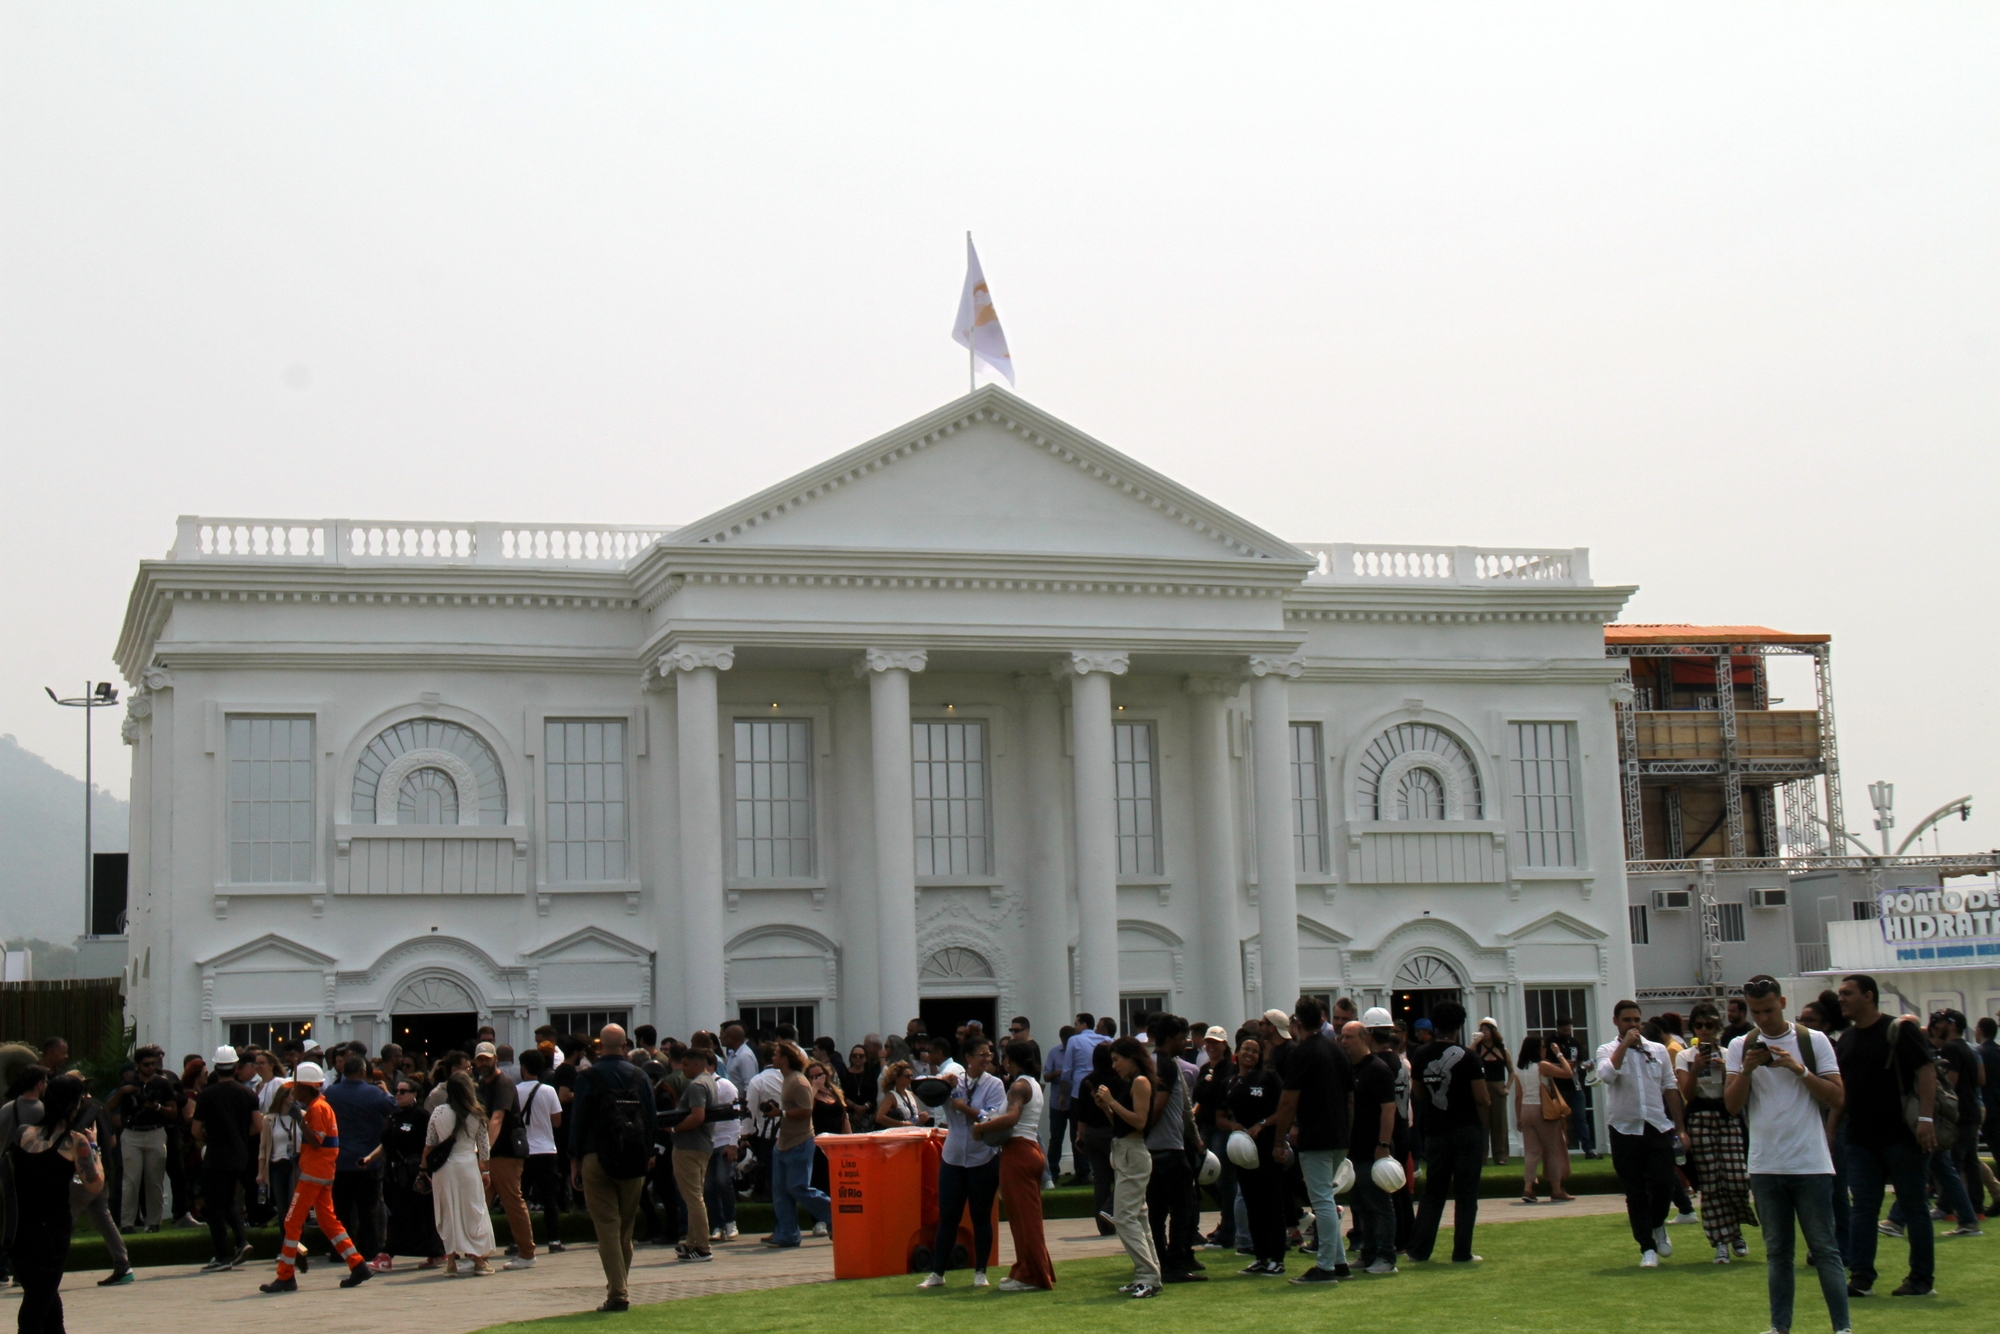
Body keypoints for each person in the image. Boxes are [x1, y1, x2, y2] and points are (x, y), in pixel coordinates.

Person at [1724, 975, 1847, 1334]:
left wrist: (1799, 1070)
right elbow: (1732, 1106)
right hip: (1765, 1164)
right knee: (1778, 1253)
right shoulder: (1739, 1045)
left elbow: (1837, 1098)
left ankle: (1842, 1328)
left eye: (1768, 1009)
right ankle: (1780, 1327)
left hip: (1810, 1162)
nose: (1763, 1018)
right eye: (1756, 1011)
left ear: (1782, 1002)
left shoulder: (1813, 1040)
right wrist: (1747, 1068)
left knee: (1825, 1249)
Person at [1833, 973, 1937, 1298]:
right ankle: (1861, 1276)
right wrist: (1831, 1130)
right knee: (1863, 1207)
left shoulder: (1899, 1030)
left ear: (1868, 995)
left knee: (1913, 1206)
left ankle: (1921, 1279)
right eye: (1841, 994)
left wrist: (1925, 1119)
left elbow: (1927, 1071)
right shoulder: (1847, 1039)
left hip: (1902, 1137)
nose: (1842, 999)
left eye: (1848, 993)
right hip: (1861, 1139)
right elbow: (1842, 1092)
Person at [259, 1061, 373, 1292]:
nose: (293, 1092)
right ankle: (357, 1264)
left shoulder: (317, 1108)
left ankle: (285, 1276)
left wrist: (299, 1119)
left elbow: (316, 1141)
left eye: (297, 1087)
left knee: (291, 1221)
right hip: (321, 1172)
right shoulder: (320, 1106)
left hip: (314, 1173)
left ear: (307, 1088)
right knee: (328, 1221)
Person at [570, 1024, 658, 1312]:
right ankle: (619, 1285)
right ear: (625, 1046)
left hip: (597, 1155)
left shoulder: (588, 1077)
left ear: (599, 1047)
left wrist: (574, 1160)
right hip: (634, 1157)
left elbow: (578, 1121)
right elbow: (651, 1118)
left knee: (607, 1225)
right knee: (625, 1228)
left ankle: (618, 1291)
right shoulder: (640, 1075)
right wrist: (649, 1152)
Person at [9, 1074, 104, 1332]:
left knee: (46, 1297)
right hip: (52, 1232)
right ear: (73, 1106)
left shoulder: (23, 1135)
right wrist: (93, 1145)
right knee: (37, 1304)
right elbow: (95, 1184)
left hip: (18, 1230)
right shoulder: (76, 1142)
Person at [1597, 999, 1684, 1268]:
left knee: (1663, 1183)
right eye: (1627, 1020)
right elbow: (1607, 1075)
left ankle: (1657, 1224)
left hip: (1657, 1126)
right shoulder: (1607, 1049)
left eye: (1636, 1020)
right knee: (1635, 1191)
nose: (1633, 1025)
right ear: (1616, 1022)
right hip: (1624, 1129)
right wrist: (1624, 1045)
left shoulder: (1657, 1050)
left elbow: (1670, 1087)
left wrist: (1680, 1128)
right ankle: (1646, 1247)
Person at [1271, 997, 1351, 1284]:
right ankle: (1338, 1261)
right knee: (1326, 1198)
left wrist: (1279, 1141)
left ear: (1297, 1022)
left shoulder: (1302, 1052)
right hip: (1339, 1133)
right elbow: (1349, 1096)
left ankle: (1326, 1266)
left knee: (1322, 1202)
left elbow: (1288, 1101)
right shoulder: (1336, 1048)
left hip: (1317, 1134)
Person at [917, 1035, 1007, 1288]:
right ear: (967, 1058)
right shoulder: (954, 1081)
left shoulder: (995, 1084)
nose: (987, 1058)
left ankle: (981, 1272)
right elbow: (922, 1089)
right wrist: (943, 1081)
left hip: (982, 1158)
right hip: (953, 1158)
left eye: (989, 1054)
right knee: (948, 1218)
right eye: (982, 1054)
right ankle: (937, 1273)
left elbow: (991, 1116)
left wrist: (965, 1109)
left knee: (981, 1218)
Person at [1408, 1002, 1489, 1264]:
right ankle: (1461, 1251)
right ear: (1459, 1026)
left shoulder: (1420, 1054)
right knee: (1466, 1193)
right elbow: (1482, 1097)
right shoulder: (1469, 1056)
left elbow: (1418, 1092)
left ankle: (1420, 1250)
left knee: (1433, 1192)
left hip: (1435, 1130)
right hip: (1466, 1128)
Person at [1673, 1002, 1748, 1261]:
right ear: (1693, 1028)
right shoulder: (1684, 1056)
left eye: (1710, 1025)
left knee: (1737, 1177)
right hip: (1700, 1115)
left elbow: (1739, 1087)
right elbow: (1687, 1093)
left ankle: (1735, 1229)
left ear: (1718, 1028)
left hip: (1727, 1114)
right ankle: (1721, 1241)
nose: (1705, 1031)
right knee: (1711, 1183)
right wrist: (1696, 1068)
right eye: (1699, 1026)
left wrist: (1725, 1069)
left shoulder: (1729, 1054)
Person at [982, 1039, 1055, 1291]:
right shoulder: (1033, 1084)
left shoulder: (1018, 1086)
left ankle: (1031, 1274)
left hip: (1019, 1152)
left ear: (1012, 1060)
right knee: (1026, 1217)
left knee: (1024, 1219)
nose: (1003, 1062)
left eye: (1005, 1057)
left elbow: (1012, 1118)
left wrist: (981, 1128)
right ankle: (1029, 1267)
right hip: (1031, 1149)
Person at [1093, 1036, 1162, 1298]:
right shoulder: (1132, 1083)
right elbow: (1123, 1125)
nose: (1114, 1066)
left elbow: (1140, 1122)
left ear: (1131, 1057)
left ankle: (1148, 1276)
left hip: (1133, 1155)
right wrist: (1107, 1108)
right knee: (1138, 1218)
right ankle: (1148, 1274)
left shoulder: (1141, 1081)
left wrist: (1111, 1102)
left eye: (1117, 1059)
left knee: (1124, 1218)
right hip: (1124, 1152)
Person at [1218, 1036, 1287, 1274]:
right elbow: (1219, 1117)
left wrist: (1262, 1124)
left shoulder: (1268, 1077)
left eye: (1255, 1051)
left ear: (1260, 1056)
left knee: (1272, 1203)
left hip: (1267, 1147)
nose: (1250, 1053)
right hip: (1242, 1150)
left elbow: (1284, 1110)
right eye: (1246, 1049)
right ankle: (1261, 1257)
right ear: (1238, 1052)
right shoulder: (1230, 1081)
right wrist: (1232, 1126)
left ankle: (1278, 1258)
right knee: (1252, 1203)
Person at [192, 1044, 261, 1273]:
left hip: (216, 1155)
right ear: (235, 1067)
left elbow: (195, 1129)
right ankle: (241, 1241)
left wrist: (208, 1136)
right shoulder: (248, 1093)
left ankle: (222, 1255)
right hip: (239, 1154)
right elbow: (257, 1125)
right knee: (229, 1199)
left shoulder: (207, 1095)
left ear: (216, 1067)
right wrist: (239, 1136)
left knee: (215, 1206)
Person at [325, 1052, 396, 1273]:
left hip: (339, 1160)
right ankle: (369, 1250)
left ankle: (340, 1250)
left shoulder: (331, 1093)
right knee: (368, 1210)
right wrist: (386, 1091)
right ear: (363, 1071)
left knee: (341, 1209)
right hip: (367, 1159)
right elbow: (394, 1108)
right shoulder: (374, 1093)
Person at [762, 1042, 832, 1249]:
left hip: (800, 1142)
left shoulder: (799, 1082)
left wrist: (780, 1113)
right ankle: (787, 1234)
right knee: (781, 1192)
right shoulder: (787, 1079)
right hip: (784, 1143)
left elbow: (805, 1110)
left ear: (785, 1058)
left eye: (775, 1054)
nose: (772, 1058)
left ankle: (835, 1214)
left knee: (798, 1187)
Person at [425, 1070, 496, 1276]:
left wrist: (423, 1169)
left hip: (444, 1169)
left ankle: (451, 1264)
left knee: (448, 1212)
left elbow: (429, 1144)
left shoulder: (438, 1112)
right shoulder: (477, 1114)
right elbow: (484, 1147)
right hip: (467, 1166)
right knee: (474, 1211)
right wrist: (487, 1171)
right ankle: (480, 1261)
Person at [1342, 1020, 1399, 1274]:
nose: (1344, 1041)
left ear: (1364, 1038)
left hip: (1373, 1148)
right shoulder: (1349, 1069)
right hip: (1354, 1149)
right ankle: (1368, 1252)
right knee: (1361, 1205)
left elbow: (1389, 1108)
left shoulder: (1377, 1069)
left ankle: (1386, 1256)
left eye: (1349, 1037)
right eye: (1342, 1036)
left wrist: (1383, 1144)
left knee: (1379, 1204)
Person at [474, 1042, 537, 1270]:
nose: (483, 1063)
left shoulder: (504, 1084)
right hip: (489, 1153)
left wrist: (484, 1152)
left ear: (495, 1059)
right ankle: (478, 1257)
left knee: (512, 1201)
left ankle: (527, 1253)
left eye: (487, 1059)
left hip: (506, 1152)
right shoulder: (481, 1085)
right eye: (480, 1059)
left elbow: (497, 1119)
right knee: (479, 1204)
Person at [1925, 1009, 1984, 1235]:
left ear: (1950, 1025)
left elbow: (1950, 1082)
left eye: (1939, 1022)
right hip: (1973, 1110)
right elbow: (1981, 1079)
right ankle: (1975, 1209)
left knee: (1953, 1164)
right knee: (1970, 1162)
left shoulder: (1950, 1049)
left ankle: (1945, 1207)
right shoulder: (1969, 1048)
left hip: (1958, 1113)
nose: (1935, 1026)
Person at [108, 1045, 175, 1236]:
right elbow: (109, 1107)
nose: (150, 1068)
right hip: (132, 1132)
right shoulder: (129, 1083)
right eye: (146, 1064)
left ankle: (154, 1221)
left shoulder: (163, 1084)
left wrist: (156, 1107)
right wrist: (123, 1093)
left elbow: (173, 1111)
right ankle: (127, 1222)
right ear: (137, 1065)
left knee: (154, 1180)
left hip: (155, 1131)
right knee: (131, 1180)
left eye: (153, 1064)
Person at [379, 1077, 446, 1269]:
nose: (398, 1095)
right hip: (395, 1173)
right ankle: (435, 1251)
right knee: (401, 1212)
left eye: (403, 1091)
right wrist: (369, 1158)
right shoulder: (395, 1115)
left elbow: (431, 1144)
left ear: (414, 1094)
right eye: (396, 1091)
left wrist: (424, 1169)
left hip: (415, 1172)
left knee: (412, 1214)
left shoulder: (421, 1116)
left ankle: (388, 1252)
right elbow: (386, 1142)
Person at [512, 1049, 566, 1256]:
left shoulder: (515, 1091)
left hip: (523, 1150)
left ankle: (519, 1241)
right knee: (549, 1198)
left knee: (520, 1198)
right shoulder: (549, 1091)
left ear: (523, 1067)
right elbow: (557, 1121)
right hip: (546, 1149)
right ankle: (554, 1239)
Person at [669, 1047, 718, 1263]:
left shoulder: (697, 1085)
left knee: (693, 1197)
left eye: (686, 1064)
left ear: (698, 1064)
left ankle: (703, 1247)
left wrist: (675, 1129)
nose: (683, 1068)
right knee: (694, 1196)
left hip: (690, 1146)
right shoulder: (710, 1082)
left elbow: (698, 1116)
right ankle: (692, 1242)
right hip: (701, 1146)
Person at [1190, 1024, 1237, 1250]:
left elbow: (1220, 1094)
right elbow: (1199, 1095)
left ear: (1224, 1045)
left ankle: (1229, 1226)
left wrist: (1208, 1089)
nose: (1210, 1047)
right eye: (1208, 1043)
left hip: (1221, 1128)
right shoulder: (1205, 1069)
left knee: (1225, 1177)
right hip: (1204, 1127)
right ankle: (1228, 1217)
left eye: (1215, 1044)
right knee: (1203, 1175)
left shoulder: (1229, 1069)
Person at [1514, 1036, 1575, 1204]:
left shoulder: (1519, 1069)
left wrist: (1518, 1117)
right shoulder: (1542, 1066)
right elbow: (1568, 1073)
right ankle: (1556, 1189)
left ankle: (1528, 1188)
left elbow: (1518, 1096)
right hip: (1543, 1110)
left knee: (1532, 1152)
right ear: (1535, 1049)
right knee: (1552, 1149)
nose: (1544, 1050)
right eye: (1542, 1047)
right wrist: (1559, 1054)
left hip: (1526, 1108)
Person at [1073, 1043, 1118, 1235]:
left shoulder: (1087, 1080)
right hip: (1112, 1130)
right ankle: (1112, 1212)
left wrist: (1079, 1135)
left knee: (1100, 1180)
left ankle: (1103, 1225)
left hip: (1092, 1132)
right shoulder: (1118, 1080)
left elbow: (1081, 1112)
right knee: (1121, 1176)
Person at [1551, 1017, 1598, 1159]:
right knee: (1558, 1119)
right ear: (1558, 1028)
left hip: (1576, 1086)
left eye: (1569, 1029)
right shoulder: (1551, 1043)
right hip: (1560, 1087)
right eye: (1564, 1030)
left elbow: (1582, 1059)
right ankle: (1558, 1150)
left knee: (1580, 1118)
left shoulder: (1574, 1042)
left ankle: (1588, 1149)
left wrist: (1585, 1065)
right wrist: (1563, 1065)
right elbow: (1546, 1063)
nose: (1567, 1032)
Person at [1472, 1018, 1512, 1165]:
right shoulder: (1476, 1050)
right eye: (1481, 1030)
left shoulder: (1502, 1050)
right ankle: (1481, 1157)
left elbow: (1512, 1072)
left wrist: (1507, 1087)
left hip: (1498, 1088)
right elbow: (1466, 1057)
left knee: (1499, 1123)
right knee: (1482, 1123)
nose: (1483, 1033)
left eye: (1486, 1030)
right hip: (1482, 1087)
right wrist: (1475, 1041)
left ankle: (1500, 1156)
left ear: (1493, 1031)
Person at [875, 1061, 929, 1127]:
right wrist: (902, 1124)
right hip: (898, 1134)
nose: (911, 1078)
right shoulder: (891, 1096)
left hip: (913, 1131)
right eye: (907, 1076)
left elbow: (915, 1117)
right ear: (897, 1078)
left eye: (911, 1075)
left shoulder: (911, 1094)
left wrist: (922, 1117)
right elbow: (879, 1117)